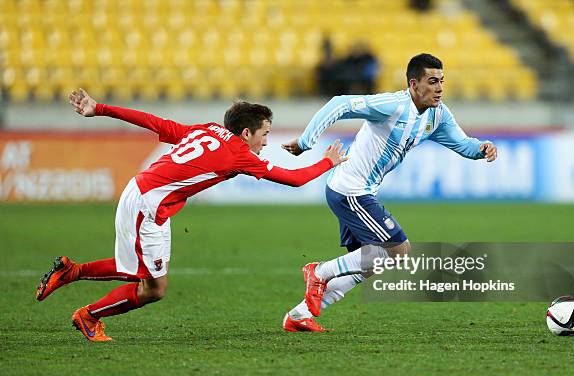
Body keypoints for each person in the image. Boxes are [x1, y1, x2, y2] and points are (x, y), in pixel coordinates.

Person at [35, 88, 347, 342]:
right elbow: (294, 179)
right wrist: (328, 162)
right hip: (149, 203)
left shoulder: (207, 130)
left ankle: (72, 276)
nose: (266, 142)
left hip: (151, 199)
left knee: (151, 282)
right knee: (150, 284)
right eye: (264, 134)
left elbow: (155, 122)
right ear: (247, 132)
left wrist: (101, 108)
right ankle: (86, 311)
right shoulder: (239, 154)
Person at [280, 53, 497, 332]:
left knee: (369, 264)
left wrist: (482, 149)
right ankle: (319, 271)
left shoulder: (438, 115)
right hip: (350, 190)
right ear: (413, 83)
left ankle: (299, 316)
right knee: (399, 249)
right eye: (432, 81)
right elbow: (340, 104)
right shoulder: (393, 105)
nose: (440, 88)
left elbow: (463, 145)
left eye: (442, 81)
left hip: (360, 191)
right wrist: (305, 141)